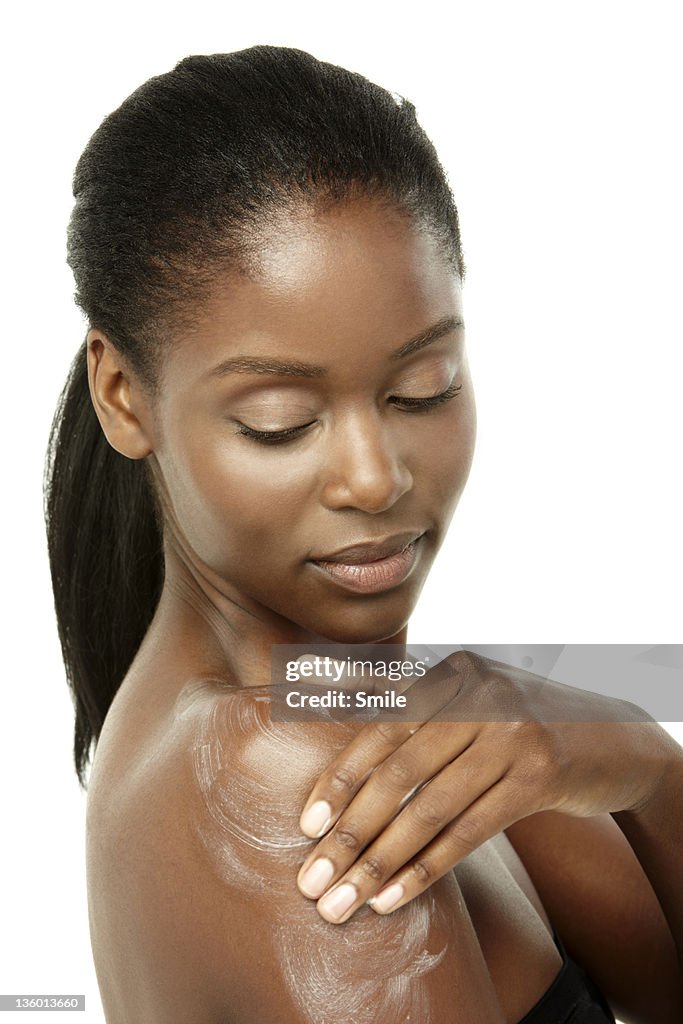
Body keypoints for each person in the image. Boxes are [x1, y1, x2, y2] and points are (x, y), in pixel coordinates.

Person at [43, 46, 683, 1023]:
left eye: (419, 389)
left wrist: (635, 754)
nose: (376, 476)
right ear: (124, 394)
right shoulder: (282, 784)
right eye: (279, 420)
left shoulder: (391, 705)